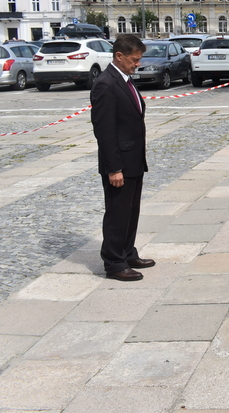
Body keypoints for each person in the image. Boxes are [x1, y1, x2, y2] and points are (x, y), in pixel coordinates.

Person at [90, 34, 155, 281]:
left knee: (131, 211)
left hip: (134, 160)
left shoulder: (125, 80)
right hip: (119, 163)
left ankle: (128, 252)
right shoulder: (106, 84)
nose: (137, 64)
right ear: (119, 56)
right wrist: (113, 168)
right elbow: (104, 131)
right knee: (117, 213)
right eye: (134, 59)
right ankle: (114, 262)